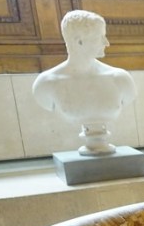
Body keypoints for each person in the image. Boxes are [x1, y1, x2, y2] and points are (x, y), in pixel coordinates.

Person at [32, 10, 137, 156]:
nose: (106, 43)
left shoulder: (120, 78)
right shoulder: (46, 84)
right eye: (99, 37)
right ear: (79, 41)